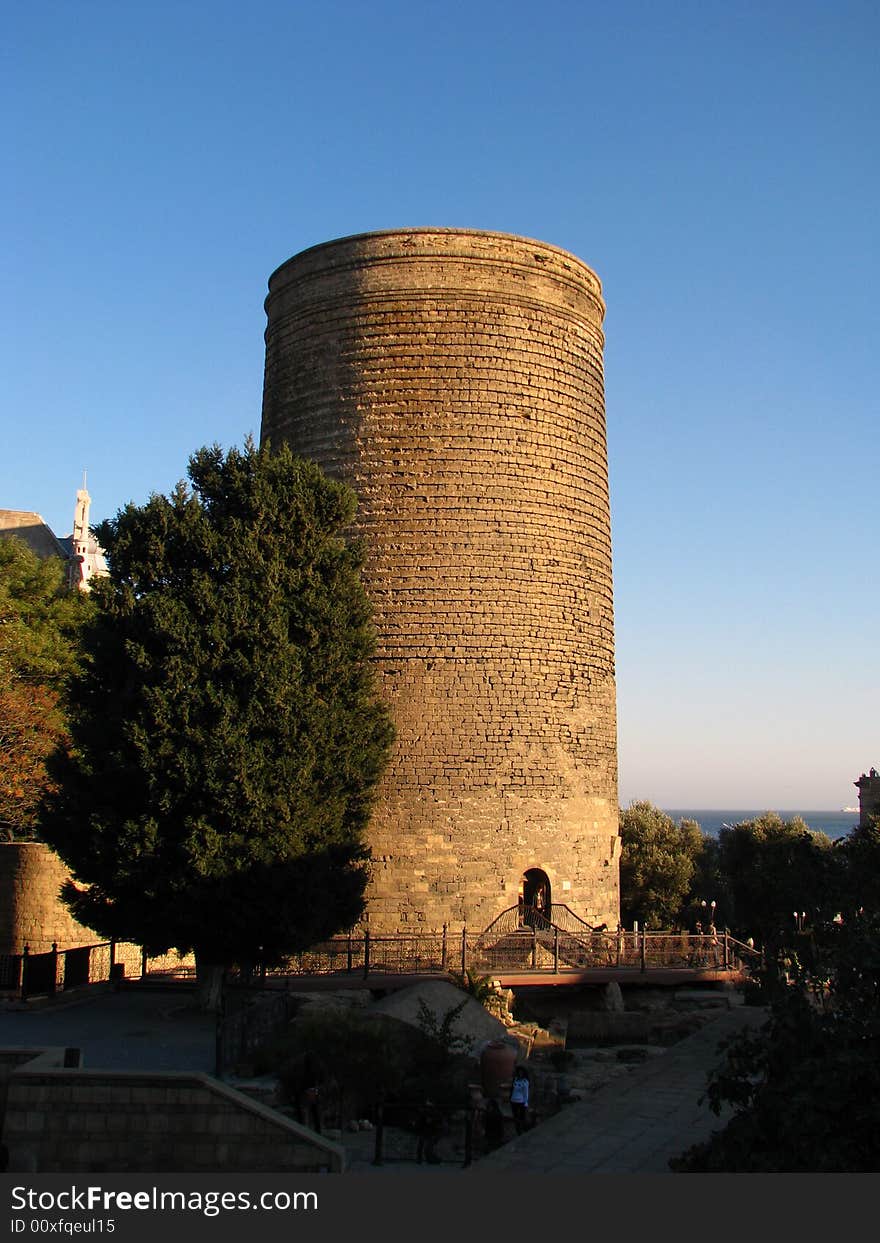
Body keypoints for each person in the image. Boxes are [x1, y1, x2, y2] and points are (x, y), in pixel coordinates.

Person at [509, 1066, 530, 1134]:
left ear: (524, 1073)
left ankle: (523, 1128)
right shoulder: (515, 1079)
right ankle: (518, 1129)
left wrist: (526, 1103)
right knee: (515, 1116)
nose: (520, 1074)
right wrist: (510, 1098)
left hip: (521, 1101)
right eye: (519, 1072)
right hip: (513, 1100)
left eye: (522, 1072)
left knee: (522, 1116)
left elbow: (526, 1093)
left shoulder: (525, 1081)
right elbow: (512, 1089)